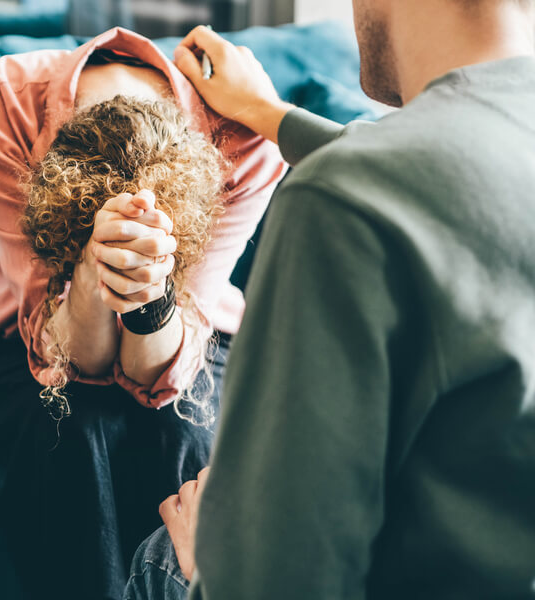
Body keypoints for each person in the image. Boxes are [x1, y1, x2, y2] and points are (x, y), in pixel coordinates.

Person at [125, 1, 535, 599]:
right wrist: (270, 115)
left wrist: (207, 569)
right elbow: (458, 181)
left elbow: (277, 580)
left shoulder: (346, 202)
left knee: (163, 558)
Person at [0, 27, 286, 600]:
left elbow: (157, 376)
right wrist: (90, 272)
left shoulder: (243, 136)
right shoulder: (3, 109)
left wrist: (151, 297)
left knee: (181, 421)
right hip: (11, 342)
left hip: (192, 340)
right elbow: (73, 361)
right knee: (75, 423)